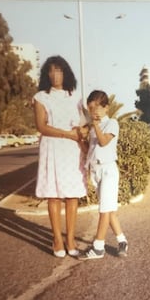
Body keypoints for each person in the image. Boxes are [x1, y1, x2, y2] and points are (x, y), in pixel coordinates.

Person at [33, 55, 87, 258]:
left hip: (72, 150)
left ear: (66, 73)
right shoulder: (41, 97)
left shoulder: (76, 96)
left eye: (59, 70)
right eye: (52, 71)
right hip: (53, 148)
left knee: (72, 195)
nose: (56, 75)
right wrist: (67, 134)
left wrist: (80, 134)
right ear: (47, 74)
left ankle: (70, 239)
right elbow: (41, 126)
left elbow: (84, 123)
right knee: (54, 195)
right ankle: (57, 239)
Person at [79, 90, 128, 260]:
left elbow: (104, 141)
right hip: (97, 171)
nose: (95, 111)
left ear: (107, 107)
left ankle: (98, 247)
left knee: (104, 210)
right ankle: (122, 240)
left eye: (98, 107)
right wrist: (80, 139)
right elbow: (90, 151)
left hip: (108, 170)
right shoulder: (93, 128)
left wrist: (96, 126)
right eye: (91, 108)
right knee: (109, 210)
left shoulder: (112, 123)